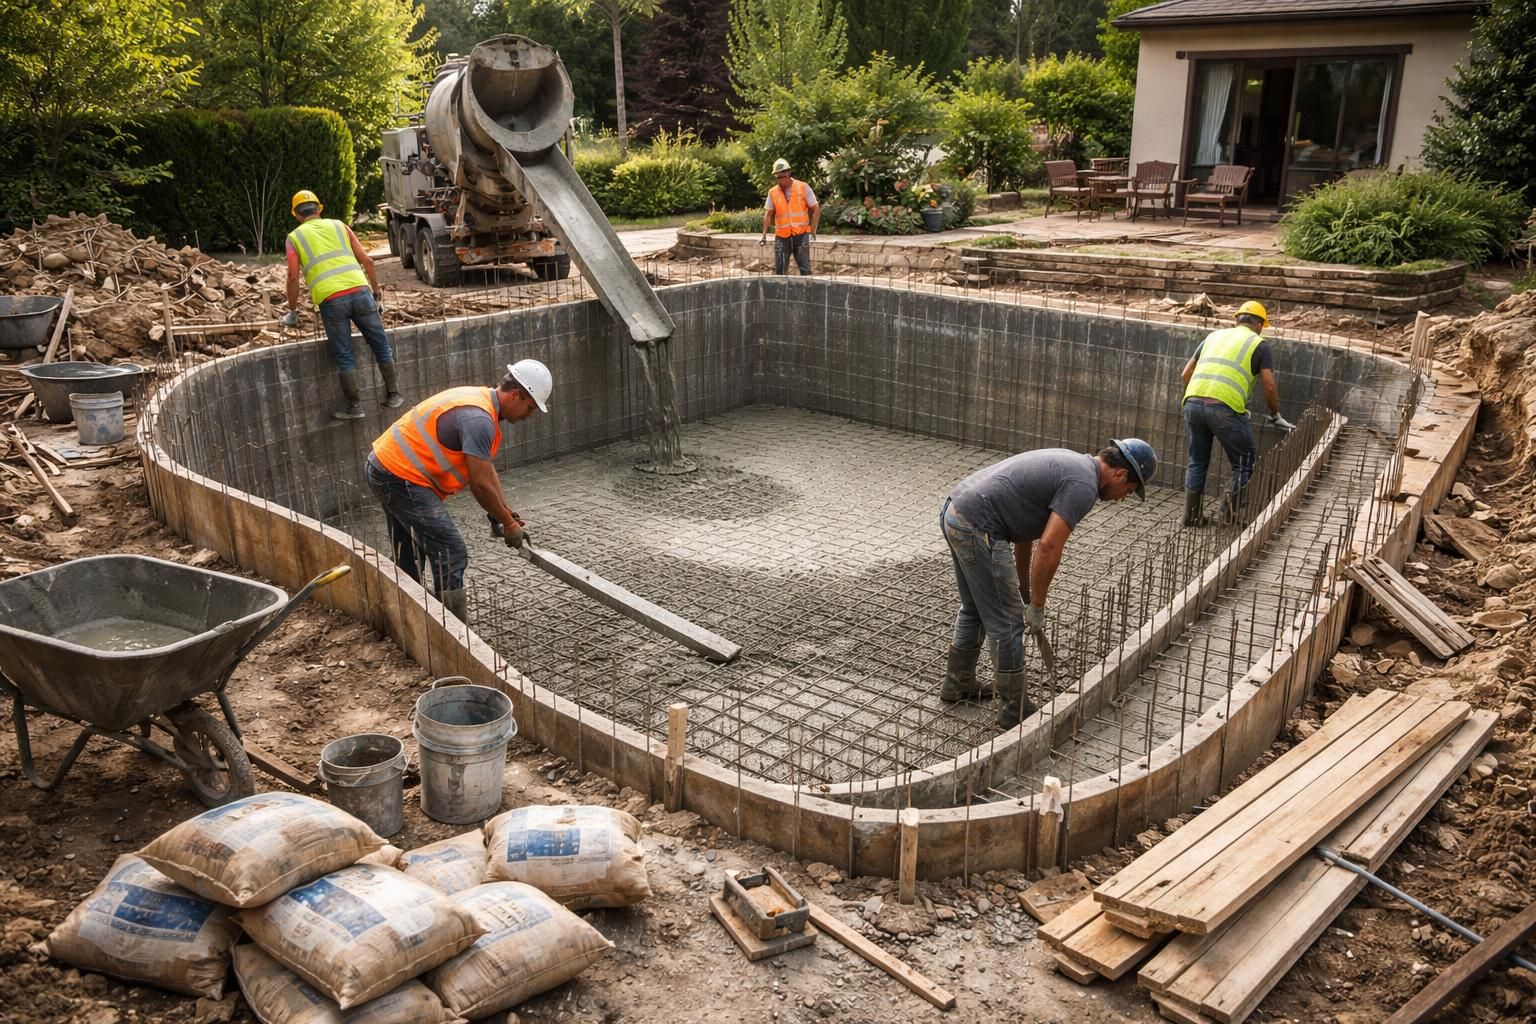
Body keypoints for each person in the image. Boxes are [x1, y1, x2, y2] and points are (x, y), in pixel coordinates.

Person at [940, 439, 1158, 729]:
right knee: (1007, 623)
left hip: (956, 511)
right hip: (979, 526)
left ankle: (958, 684)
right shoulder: (1083, 486)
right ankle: (1013, 710)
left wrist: (1025, 589)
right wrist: (1037, 607)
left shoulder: (1073, 463)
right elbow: (1049, 547)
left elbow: (1023, 531)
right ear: (1119, 475)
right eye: (1128, 491)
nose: (1122, 498)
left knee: (974, 609)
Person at [365, 359, 553, 621]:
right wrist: (509, 525)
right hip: (399, 476)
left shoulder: (480, 403)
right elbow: (479, 485)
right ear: (516, 395)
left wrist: (503, 513)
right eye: (530, 408)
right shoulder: (479, 420)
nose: (528, 416)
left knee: (409, 550)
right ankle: (453, 633)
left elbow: (486, 472)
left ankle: (405, 617)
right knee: (450, 550)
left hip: (387, 468)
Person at [281, 189, 402, 420]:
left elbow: (293, 277)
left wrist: (293, 311)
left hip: (331, 300)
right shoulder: (340, 226)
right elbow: (367, 261)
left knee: (344, 354)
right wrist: (376, 293)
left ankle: (355, 407)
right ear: (319, 208)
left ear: (296, 214)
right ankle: (394, 395)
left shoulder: (294, 238)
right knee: (381, 345)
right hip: (361, 292)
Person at [1179, 300, 1295, 528]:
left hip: (1192, 402)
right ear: (1260, 324)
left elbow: (1186, 374)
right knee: (1243, 463)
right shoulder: (1259, 345)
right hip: (1225, 408)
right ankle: (1228, 516)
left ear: (1237, 319)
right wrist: (1275, 414)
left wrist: (1198, 398)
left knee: (1197, 461)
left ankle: (1191, 517)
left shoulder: (1212, 337)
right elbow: (1269, 386)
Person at [759, 158, 820, 276]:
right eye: (777, 177)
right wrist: (764, 235)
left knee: (805, 269)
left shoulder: (803, 187)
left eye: (782, 177)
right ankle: (780, 293)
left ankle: (807, 292)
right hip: (782, 237)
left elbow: (816, 208)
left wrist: (813, 230)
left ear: (788, 173)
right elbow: (768, 214)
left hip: (801, 235)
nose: (779, 180)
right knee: (780, 270)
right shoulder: (773, 192)